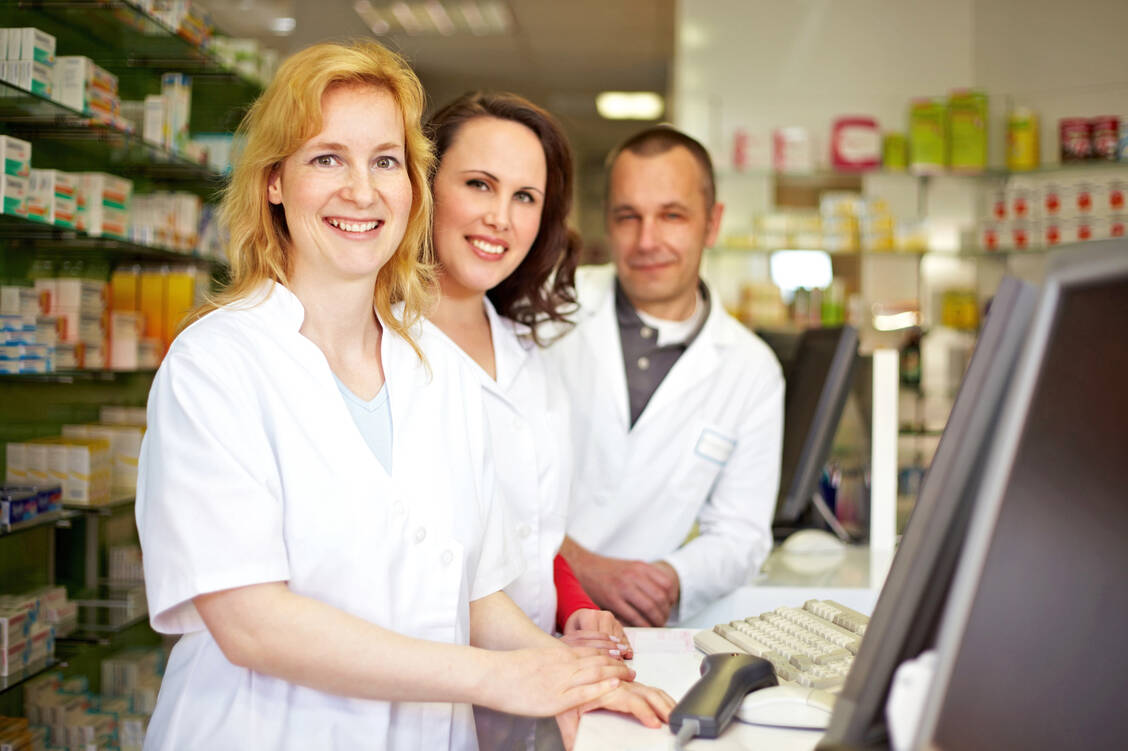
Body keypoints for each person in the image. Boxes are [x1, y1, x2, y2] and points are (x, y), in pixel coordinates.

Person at [135, 41, 668, 750]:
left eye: (385, 161)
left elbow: (474, 592)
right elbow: (251, 620)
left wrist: (575, 676)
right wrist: (493, 678)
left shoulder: (436, 371)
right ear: (272, 181)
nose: (362, 190)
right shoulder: (216, 364)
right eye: (327, 158)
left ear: (411, 185)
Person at [425, 91, 647, 750]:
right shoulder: (379, 347)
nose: (501, 217)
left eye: (526, 196)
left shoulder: (527, 356)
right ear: (424, 183)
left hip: (533, 692)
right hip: (428, 695)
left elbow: (532, 536)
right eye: (478, 184)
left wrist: (577, 610)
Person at [551, 126, 785, 627]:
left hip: (643, 628)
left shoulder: (752, 369)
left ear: (712, 223)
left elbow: (741, 535)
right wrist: (587, 568)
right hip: (525, 606)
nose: (647, 241)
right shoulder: (547, 309)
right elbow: (492, 477)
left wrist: (666, 577)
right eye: (628, 216)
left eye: (672, 215)